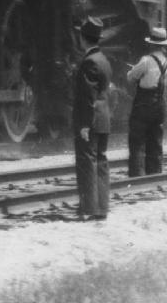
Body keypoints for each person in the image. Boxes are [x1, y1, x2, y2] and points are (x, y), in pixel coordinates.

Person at [72, 16, 112, 220]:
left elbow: (88, 96)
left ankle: (89, 208)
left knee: (87, 163)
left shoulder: (89, 62)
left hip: (92, 120)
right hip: (104, 119)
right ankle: (102, 208)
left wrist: (85, 125)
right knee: (101, 162)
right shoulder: (103, 60)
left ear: (83, 38)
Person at [126, 26, 167, 177]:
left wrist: (133, 71)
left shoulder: (146, 60)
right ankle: (154, 174)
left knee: (137, 140)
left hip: (143, 103)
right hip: (160, 104)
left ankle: (137, 175)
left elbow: (131, 77)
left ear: (151, 44)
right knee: (155, 141)